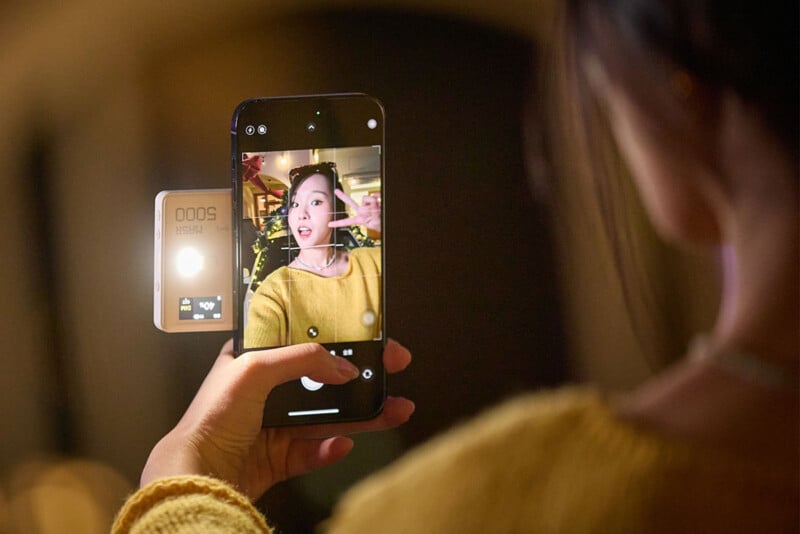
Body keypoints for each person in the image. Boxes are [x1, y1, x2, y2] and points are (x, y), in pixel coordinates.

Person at [113, 1, 798, 532]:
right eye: (297, 204)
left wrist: (183, 481)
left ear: (681, 89)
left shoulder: (491, 505)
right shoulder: (279, 287)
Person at [245, 162, 383, 349]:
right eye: (295, 203)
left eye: (316, 202)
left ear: (336, 212)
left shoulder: (371, 263)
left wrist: (385, 229)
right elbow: (257, 363)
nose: (301, 214)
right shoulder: (274, 290)